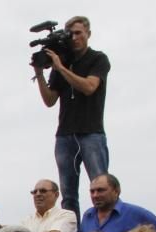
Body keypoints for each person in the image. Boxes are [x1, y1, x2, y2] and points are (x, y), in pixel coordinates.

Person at [33, 16, 110, 215]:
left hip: (91, 131)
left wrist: (60, 68)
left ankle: (105, 229)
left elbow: (89, 87)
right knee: (68, 193)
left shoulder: (98, 59)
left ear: (88, 34)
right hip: (65, 134)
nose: (74, 38)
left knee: (100, 187)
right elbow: (50, 100)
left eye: (78, 33)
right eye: (71, 34)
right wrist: (40, 73)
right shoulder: (63, 62)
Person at [79, 173, 156, 232]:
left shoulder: (135, 213)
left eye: (100, 190)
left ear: (116, 191)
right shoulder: (88, 216)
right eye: (92, 191)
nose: (95, 195)